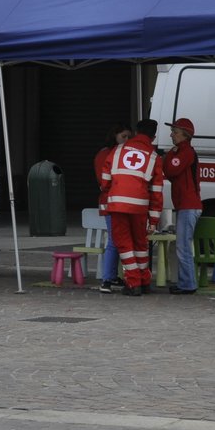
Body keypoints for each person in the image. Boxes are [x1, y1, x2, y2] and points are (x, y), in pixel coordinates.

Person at [99, 118, 163, 297]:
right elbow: (157, 192)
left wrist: (107, 189)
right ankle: (144, 281)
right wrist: (154, 220)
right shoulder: (154, 157)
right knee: (141, 244)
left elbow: (105, 177)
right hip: (140, 207)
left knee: (124, 244)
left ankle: (134, 283)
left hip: (118, 204)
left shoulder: (118, 150)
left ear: (136, 132)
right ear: (153, 136)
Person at [161, 117, 201, 295]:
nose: (172, 135)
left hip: (188, 205)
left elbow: (171, 170)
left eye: (175, 132)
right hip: (186, 205)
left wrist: (168, 155)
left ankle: (188, 284)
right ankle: (186, 282)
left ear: (186, 135)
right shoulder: (182, 152)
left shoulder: (185, 153)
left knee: (183, 246)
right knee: (183, 245)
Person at [94, 125, 130, 293]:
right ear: (115, 135)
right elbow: (104, 181)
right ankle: (107, 279)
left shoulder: (113, 153)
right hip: (110, 201)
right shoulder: (106, 154)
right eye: (124, 136)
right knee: (114, 241)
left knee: (115, 241)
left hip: (114, 201)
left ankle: (112, 276)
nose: (127, 140)